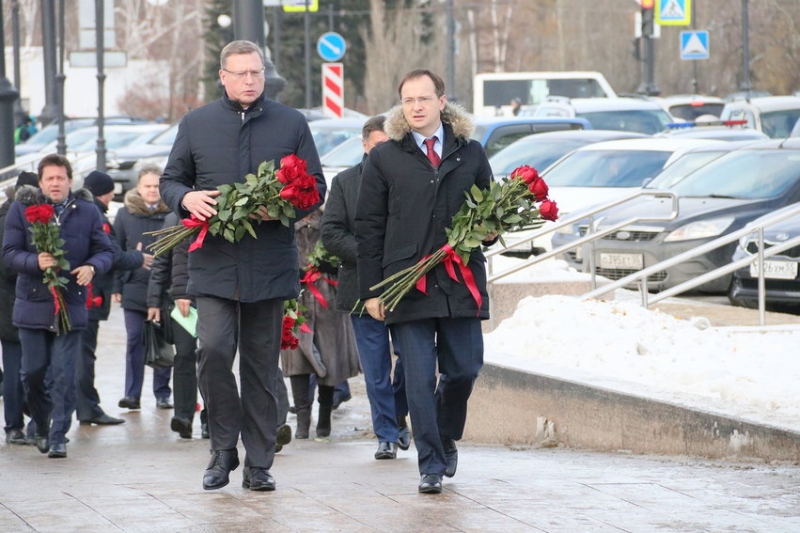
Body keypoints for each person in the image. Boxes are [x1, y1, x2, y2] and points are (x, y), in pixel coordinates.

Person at [159, 40, 325, 492]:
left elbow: (315, 187)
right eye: (241, 73)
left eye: (256, 73)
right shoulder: (196, 123)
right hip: (213, 263)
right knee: (213, 351)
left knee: (260, 366)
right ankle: (222, 449)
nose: (250, 81)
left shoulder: (291, 122)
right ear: (223, 76)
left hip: (268, 265)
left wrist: (283, 208)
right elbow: (171, 180)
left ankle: (259, 463)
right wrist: (186, 198)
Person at [355, 70, 495, 494]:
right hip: (406, 284)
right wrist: (371, 290)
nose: (416, 106)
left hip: (459, 280)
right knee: (417, 379)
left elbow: (489, 209)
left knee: (464, 369)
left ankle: (445, 432)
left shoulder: (470, 152)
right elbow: (368, 226)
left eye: (424, 98)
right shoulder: (386, 157)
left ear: (441, 101)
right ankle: (430, 464)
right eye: (408, 100)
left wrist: (491, 230)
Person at [2, 154, 113, 458]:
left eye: (60, 178)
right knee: (32, 373)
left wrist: (92, 266)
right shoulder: (22, 209)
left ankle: (58, 435)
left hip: (70, 302)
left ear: (70, 180)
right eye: (49, 178)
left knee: (64, 373)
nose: (55, 183)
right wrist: (34, 261)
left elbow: (105, 251)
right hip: (33, 303)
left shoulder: (87, 211)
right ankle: (40, 423)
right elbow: (9, 252)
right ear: (40, 182)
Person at [321, 115, 411, 460]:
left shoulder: (408, 176)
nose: (384, 153)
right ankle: (385, 435)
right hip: (362, 285)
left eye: (390, 146)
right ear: (364, 145)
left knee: (411, 360)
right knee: (375, 369)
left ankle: (397, 414)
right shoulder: (345, 182)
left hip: (405, 285)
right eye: (377, 147)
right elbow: (331, 233)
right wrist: (371, 254)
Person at [78, 170, 153, 426]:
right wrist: (138, 257)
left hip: (81, 295)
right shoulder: (96, 215)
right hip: (89, 296)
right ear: (106, 193)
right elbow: (111, 253)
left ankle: (84, 406)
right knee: (84, 355)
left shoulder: (78, 210)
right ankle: (87, 407)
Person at [281, 210, 360, 441]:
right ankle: (302, 418)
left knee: (330, 357)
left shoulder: (330, 222)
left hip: (328, 297)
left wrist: (329, 267)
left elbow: (346, 257)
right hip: (296, 298)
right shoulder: (285, 223)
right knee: (297, 358)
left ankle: (325, 415)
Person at [113, 165, 173, 411]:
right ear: (138, 187)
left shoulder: (172, 214)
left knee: (162, 340)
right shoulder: (124, 214)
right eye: (147, 186)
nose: (152, 190)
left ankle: (162, 393)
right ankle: (132, 394)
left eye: (157, 186)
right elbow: (115, 251)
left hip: (164, 289)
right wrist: (116, 286)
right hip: (134, 287)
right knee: (135, 340)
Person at [1, 171, 39, 445]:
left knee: (22, 367)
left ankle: (19, 422)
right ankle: (14, 425)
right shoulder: (12, 220)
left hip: (15, 303)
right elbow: (8, 266)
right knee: (17, 369)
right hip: (12, 304)